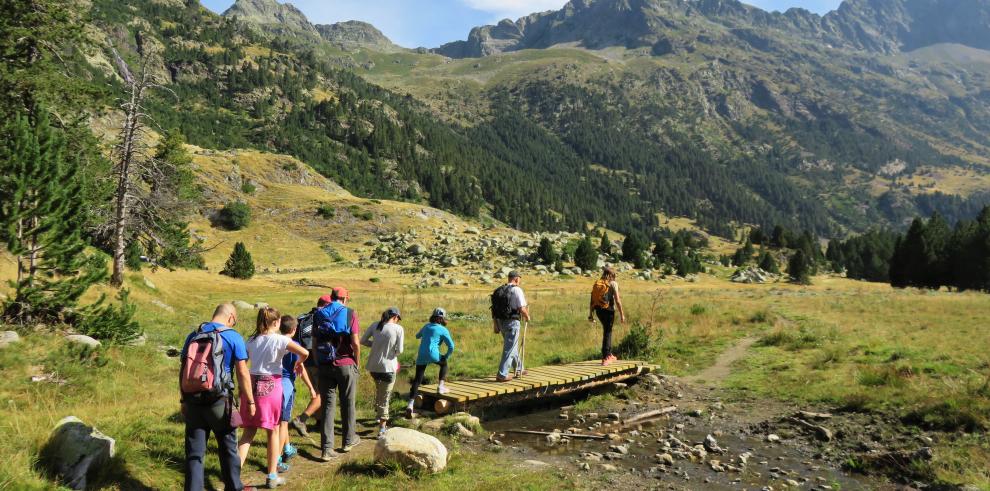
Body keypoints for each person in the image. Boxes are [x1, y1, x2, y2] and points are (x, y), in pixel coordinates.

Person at [181, 304, 257, 491]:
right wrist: (250, 400)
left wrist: (183, 399)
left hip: (193, 401)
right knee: (228, 447)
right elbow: (242, 372)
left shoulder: (193, 335)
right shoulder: (233, 336)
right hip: (220, 402)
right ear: (231, 317)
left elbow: (184, 370)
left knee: (194, 453)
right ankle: (233, 487)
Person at [236, 308, 308, 489]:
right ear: (276, 323)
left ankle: (233, 475)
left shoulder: (251, 340)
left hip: (251, 385)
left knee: (248, 432)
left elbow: (241, 365)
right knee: (273, 431)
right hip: (272, 386)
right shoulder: (281, 340)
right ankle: (272, 475)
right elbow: (305, 353)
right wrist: (298, 364)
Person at [314, 287, 361, 462]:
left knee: (327, 406)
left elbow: (314, 342)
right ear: (345, 299)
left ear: (332, 297)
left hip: (325, 363)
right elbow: (355, 343)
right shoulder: (350, 313)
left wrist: (319, 362)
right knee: (348, 402)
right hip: (345, 363)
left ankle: (326, 449)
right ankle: (348, 441)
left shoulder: (318, 313)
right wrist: (357, 362)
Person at [277, 316, 315, 469]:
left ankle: (287, 448)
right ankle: (278, 459)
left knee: (281, 421)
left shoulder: (275, 341)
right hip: (287, 385)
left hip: (272, 383)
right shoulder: (294, 345)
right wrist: (311, 387)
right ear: (294, 330)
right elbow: (301, 368)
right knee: (283, 423)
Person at [288, 295, 329, 438]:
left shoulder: (303, 318)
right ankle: (301, 419)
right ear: (325, 305)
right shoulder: (322, 318)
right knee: (321, 394)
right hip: (317, 361)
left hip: (304, 362)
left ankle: (319, 422)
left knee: (316, 390)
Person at [360, 307, 405, 436]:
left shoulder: (375, 325)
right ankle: (382, 428)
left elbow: (363, 341)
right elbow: (400, 350)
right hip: (389, 368)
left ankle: (378, 414)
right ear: (395, 317)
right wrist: (393, 354)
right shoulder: (398, 329)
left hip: (373, 367)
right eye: (398, 319)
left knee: (380, 390)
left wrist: (374, 346)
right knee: (385, 396)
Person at [407, 307, 455, 418]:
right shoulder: (443, 330)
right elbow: (451, 346)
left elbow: (417, 336)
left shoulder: (426, 326)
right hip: (433, 354)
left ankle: (410, 405)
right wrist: (446, 355)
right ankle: (441, 387)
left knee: (417, 379)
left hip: (422, 354)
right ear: (442, 318)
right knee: (444, 364)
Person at [492, 271, 530, 382]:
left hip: (501, 322)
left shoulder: (499, 290)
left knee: (512, 346)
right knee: (509, 348)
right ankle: (502, 374)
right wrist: (527, 316)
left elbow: (493, 310)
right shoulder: (517, 290)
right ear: (517, 279)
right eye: (520, 280)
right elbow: (522, 308)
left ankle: (519, 369)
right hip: (512, 322)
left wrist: (495, 324)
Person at [589, 266, 626, 366]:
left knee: (607, 330)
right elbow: (618, 301)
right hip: (609, 311)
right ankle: (606, 357)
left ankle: (609, 354)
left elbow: (592, 299)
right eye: (614, 275)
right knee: (608, 332)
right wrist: (622, 314)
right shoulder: (613, 283)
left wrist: (590, 315)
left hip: (598, 311)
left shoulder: (597, 283)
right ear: (611, 275)